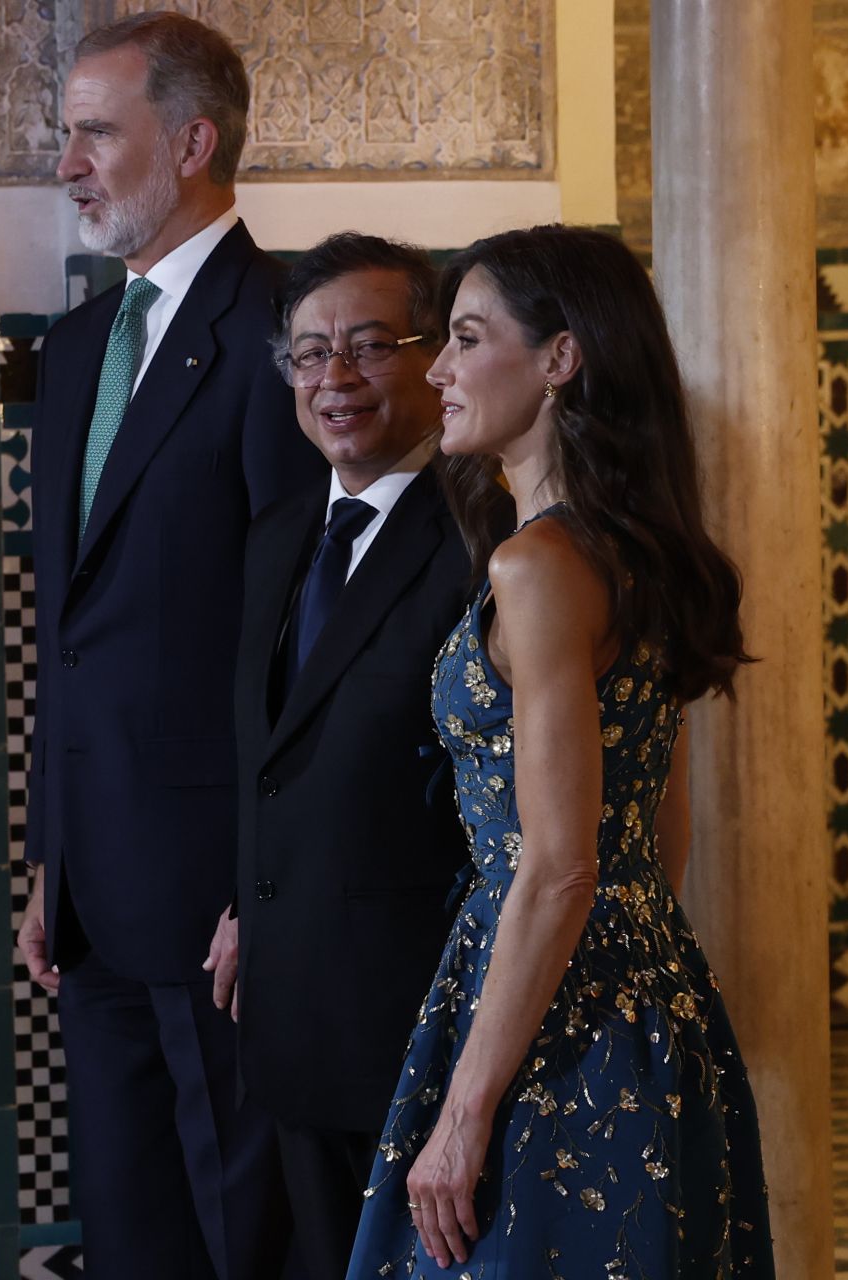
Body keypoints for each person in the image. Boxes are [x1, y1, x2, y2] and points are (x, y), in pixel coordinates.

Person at [345, 225, 775, 1279]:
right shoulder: (630, 550)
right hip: (647, 994)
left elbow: (558, 862)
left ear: (560, 359)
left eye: (467, 337)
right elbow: (654, 829)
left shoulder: (539, 565)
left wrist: (467, 1107)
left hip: (549, 1008)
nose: (437, 369)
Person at [15, 11, 324, 1278]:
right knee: (132, 1226)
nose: (70, 162)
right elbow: (71, 633)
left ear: (193, 140)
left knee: (238, 1226)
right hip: (95, 884)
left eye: (96, 132)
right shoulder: (79, 346)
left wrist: (262, 882)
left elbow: (298, 638)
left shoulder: (285, 333)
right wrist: (50, 854)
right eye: (66, 133)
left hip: (217, 896)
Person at [212, 233, 470, 1277]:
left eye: (368, 345)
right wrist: (244, 903)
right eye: (310, 354)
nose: (335, 379)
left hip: (416, 1029)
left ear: (436, 356)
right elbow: (274, 758)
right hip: (288, 1017)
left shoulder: (479, 541)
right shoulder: (278, 536)